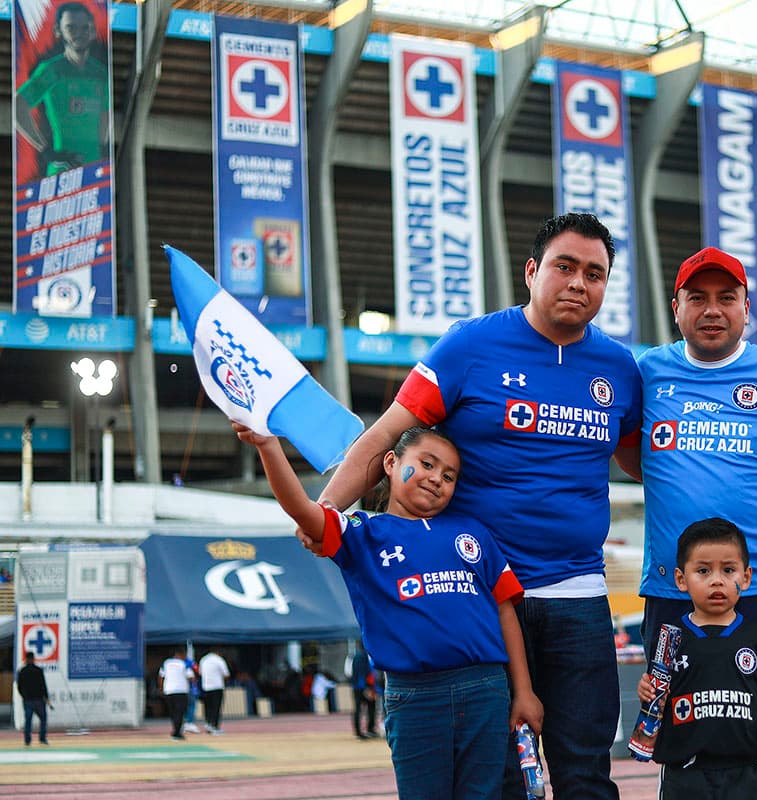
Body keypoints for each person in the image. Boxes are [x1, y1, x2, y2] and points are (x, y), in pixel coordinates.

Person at [315, 213, 641, 800]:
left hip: (578, 598)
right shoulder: (470, 345)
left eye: (595, 274)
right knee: (503, 778)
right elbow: (385, 435)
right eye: (564, 267)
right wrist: (325, 515)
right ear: (531, 271)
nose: (578, 283)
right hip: (482, 601)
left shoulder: (619, 369)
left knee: (586, 773)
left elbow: (644, 464)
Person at [236, 421, 542, 798]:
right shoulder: (363, 533)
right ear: (391, 463)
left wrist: (524, 692)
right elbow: (302, 509)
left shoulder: (474, 533)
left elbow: (504, 611)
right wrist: (268, 446)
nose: (436, 479)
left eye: (449, 475)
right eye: (426, 464)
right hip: (414, 696)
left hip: (486, 690)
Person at [616, 246, 757, 797]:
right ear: (676, 307)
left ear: (748, 308)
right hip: (672, 590)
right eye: (697, 298)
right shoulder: (648, 371)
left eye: (727, 298)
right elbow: (632, 454)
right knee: (674, 721)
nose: (712, 310)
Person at [635, 518, 757, 799]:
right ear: (681, 579)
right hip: (684, 773)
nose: (717, 580)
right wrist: (645, 689)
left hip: (744, 771)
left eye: (729, 570)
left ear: (746, 577)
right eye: (703, 571)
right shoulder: (670, 638)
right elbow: (655, 695)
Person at [13, 2, 110, 178]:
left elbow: (105, 115)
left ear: (93, 31)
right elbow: (18, 105)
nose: (79, 34)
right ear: (58, 31)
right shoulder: (52, 70)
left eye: (85, 28)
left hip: (95, 172)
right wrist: (46, 150)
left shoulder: (101, 73)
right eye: (71, 28)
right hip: (61, 174)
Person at [159, 647, 194, 740]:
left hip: (169, 690)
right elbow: (191, 677)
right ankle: (177, 733)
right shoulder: (184, 664)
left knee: (173, 712)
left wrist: (162, 688)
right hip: (181, 690)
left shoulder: (166, 663)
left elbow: (161, 676)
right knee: (180, 712)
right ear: (181, 655)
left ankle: (175, 730)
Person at [17, 651, 52, 746]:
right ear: (33, 659)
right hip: (39, 700)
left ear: (26, 659)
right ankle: (42, 739)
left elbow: (19, 686)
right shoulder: (38, 670)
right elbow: (43, 685)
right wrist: (47, 698)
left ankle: (27, 741)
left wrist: (24, 696)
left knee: (28, 720)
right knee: (43, 719)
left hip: (28, 700)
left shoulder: (22, 671)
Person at [198, 649, 230, 733]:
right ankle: (215, 726)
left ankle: (208, 724)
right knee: (216, 707)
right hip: (217, 686)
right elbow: (226, 674)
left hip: (206, 686)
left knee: (208, 707)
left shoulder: (203, 660)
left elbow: (200, 673)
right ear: (218, 652)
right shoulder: (219, 660)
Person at [350, 648, 379, 738]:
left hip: (364, 686)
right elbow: (361, 674)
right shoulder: (361, 657)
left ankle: (368, 730)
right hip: (361, 687)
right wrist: (365, 688)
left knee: (370, 708)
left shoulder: (361, 656)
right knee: (361, 709)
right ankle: (360, 732)